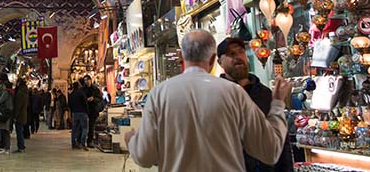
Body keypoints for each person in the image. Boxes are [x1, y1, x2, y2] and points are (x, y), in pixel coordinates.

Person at [125, 30, 291, 172]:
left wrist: (132, 140)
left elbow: (144, 157)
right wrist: (277, 105)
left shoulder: (159, 94)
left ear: (181, 57)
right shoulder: (234, 93)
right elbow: (270, 150)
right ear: (213, 60)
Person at [217, 37, 294, 172]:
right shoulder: (217, 95)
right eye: (231, 54)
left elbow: (281, 138)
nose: (238, 57)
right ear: (220, 62)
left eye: (241, 52)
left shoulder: (265, 94)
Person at [0, 73, 14, 153]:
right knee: (6, 130)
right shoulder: (10, 91)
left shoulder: (5, 91)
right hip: (8, 112)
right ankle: (6, 147)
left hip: (3, 112)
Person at [82, 74, 102, 147]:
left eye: (87, 80)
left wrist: (93, 99)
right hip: (84, 110)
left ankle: (89, 141)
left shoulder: (95, 89)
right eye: (85, 80)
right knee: (83, 126)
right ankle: (81, 141)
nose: (86, 82)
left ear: (91, 80)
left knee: (91, 126)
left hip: (93, 110)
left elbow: (100, 98)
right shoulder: (82, 89)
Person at [68, 81, 89, 150]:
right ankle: (82, 143)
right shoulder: (81, 93)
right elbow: (85, 103)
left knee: (74, 129)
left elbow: (69, 105)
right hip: (82, 113)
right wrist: (87, 112)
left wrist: (71, 113)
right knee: (84, 128)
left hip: (74, 113)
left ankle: (73, 144)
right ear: (79, 86)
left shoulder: (71, 95)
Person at [12, 76, 29, 153]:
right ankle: (21, 146)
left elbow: (18, 105)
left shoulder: (20, 92)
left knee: (19, 132)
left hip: (19, 115)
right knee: (20, 131)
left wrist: (15, 116)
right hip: (23, 114)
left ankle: (21, 147)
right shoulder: (25, 91)